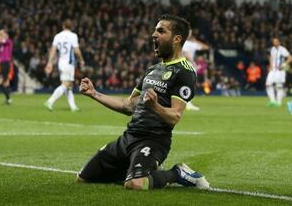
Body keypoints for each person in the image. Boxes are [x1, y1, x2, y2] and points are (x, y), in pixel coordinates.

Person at [77, 14, 209, 190]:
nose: (154, 34)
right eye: (155, 30)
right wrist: (94, 94)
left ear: (176, 39)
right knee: (84, 178)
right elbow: (129, 105)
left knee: (136, 184)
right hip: (129, 137)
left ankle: (176, 173)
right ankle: (140, 168)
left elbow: (175, 116)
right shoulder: (152, 70)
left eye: (161, 31)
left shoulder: (184, 72)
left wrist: (154, 106)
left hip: (153, 140)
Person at [44, 19, 85, 111]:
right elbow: (76, 50)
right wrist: (81, 60)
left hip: (61, 62)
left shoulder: (57, 36)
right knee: (66, 84)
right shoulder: (73, 36)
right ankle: (50, 101)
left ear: (63, 26)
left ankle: (73, 107)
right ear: (71, 27)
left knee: (69, 85)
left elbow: (53, 50)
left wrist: (50, 62)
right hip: (69, 63)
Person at [182, 30, 209, 111]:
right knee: (189, 85)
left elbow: (206, 47)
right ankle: (188, 104)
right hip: (187, 65)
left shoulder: (181, 42)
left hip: (181, 64)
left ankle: (186, 103)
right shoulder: (190, 44)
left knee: (184, 84)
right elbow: (187, 55)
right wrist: (193, 63)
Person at [266, 37, 292, 107]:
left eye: (276, 41)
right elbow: (271, 58)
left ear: (279, 42)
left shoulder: (283, 49)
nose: (274, 43)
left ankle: (279, 102)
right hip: (273, 70)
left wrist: (283, 65)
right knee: (268, 84)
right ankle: (272, 101)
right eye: (273, 41)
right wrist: (270, 66)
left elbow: (290, 58)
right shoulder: (272, 49)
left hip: (280, 70)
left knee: (279, 86)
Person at [0, 29, 13, 104]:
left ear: (6, 35)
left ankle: (8, 99)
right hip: (3, 64)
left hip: (6, 64)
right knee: (6, 83)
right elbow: (3, 54)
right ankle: (8, 99)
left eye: (3, 34)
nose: (1, 35)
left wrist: (0, 33)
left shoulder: (8, 41)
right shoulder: (3, 45)